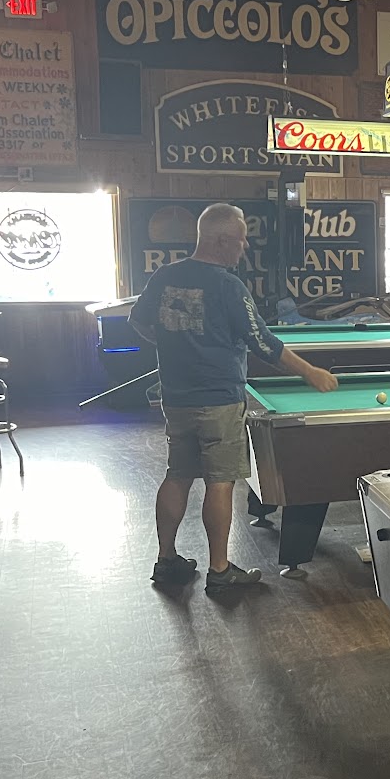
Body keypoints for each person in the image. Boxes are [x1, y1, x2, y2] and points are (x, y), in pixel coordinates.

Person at [130, 204, 338, 591]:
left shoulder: (165, 276)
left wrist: (174, 348)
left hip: (176, 397)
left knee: (178, 475)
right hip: (219, 400)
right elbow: (264, 343)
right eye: (241, 240)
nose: (245, 247)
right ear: (222, 240)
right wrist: (311, 372)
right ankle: (220, 571)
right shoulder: (228, 286)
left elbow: (138, 321)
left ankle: (166, 561)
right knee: (220, 481)